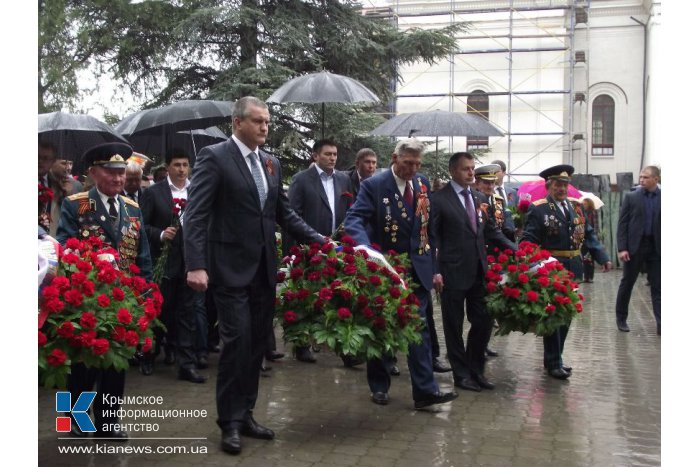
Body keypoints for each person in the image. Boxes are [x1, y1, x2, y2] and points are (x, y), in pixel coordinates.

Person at [183, 96, 326, 455]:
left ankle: (245, 414)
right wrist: (195, 264)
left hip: (263, 271)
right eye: (258, 121)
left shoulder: (271, 163)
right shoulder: (214, 158)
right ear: (237, 123)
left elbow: (284, 214)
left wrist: (320, 239)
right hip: (228, 270)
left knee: (256, 346)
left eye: (267, 122)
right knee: (236, 342)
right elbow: (196, 215)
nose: (265, 127)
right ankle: (228, 423)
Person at [344, 138, 458, 409]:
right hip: (386, 267)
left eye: (417, 164)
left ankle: (425, 391)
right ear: (395, 159)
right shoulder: (374, 185)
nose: (413, 169)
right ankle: (380, 385)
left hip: (417, 268)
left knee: (418, 330)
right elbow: (354, 219)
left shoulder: (422, 185)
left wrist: (433, 267)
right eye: (408, 163)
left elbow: (427, 228)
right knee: (383, 325)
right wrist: (364, 248)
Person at [55, 142, 153, 440]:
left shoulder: (133, 208)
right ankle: (71, 420)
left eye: (121, 172)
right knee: (81, 365)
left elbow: (143, 255)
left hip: (122, 300)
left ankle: (108, 423)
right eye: (110, 171)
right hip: (86, 297)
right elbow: (65, 248)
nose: (118, 178)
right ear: (93, 172)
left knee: (116, 363)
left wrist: (146, 295)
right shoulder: (77, 204)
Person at [432, 154, 517, 392]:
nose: (471, 173)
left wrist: (517, 251)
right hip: (452, 272)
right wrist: (435, 270)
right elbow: (433, 238)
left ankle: (476, 369)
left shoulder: (479, 198)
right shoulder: (439, 200)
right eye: (465, 169)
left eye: (472, 169)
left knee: (483, 321)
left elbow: (491, 233)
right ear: (453, 171)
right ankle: (461, 374)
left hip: (479, 271)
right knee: (454, 325)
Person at [521, 164, 612, 379]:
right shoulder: (539, 208)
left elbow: (588, 235)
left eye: (565, 185)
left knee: (566, 314)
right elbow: (528, 241)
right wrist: (538, 264)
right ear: (549, 186)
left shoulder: (575, 207)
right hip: (551, 268)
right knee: (554, 315)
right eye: (557, 185)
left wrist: (603, 257)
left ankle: (556, 358)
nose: (562, 189)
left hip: (574, 267)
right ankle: (553, 362)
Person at [286, 139, 357, 366]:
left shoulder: (344, 179)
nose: (332, 158)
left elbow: (351, 210)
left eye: (335, 154)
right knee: (307, 297)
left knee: (338, 296)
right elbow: (292, 215)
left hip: (337, 247)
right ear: (315, 156)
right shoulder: (301, 180)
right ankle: (302, 344)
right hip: (310, 247)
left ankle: (344, 349)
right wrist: (294, 250)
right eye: (327, 154)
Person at [140, 149, 207, 383]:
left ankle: (186, 364)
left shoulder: (197, 191)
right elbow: (141, 226)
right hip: (163, 263)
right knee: (159, 312)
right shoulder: (154, 193)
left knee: (187, 315)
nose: (181, 169)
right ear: (167, 167)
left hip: (190, 263)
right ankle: (149, 354)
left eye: (185, 164)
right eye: (177, 164)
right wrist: (160, 234)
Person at [474, 163, 519, 358]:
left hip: (498, 258)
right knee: (480, 307)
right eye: (486, 183)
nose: (490, 187)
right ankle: (476, 345)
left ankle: (483, 344)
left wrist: (514, 237)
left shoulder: (499, 201)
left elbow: (506, 227)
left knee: (492, 305)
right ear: (477, 183)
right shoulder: (474, 201)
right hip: (479, 257)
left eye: (492, 183)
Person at [614, 166, 661, 335]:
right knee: (627, 283)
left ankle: (661, 323)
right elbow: (622, 224)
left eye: (646, 177)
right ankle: (621, 318)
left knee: (658, 286)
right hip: (635, 246)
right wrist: (622, 248)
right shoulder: (631, 197)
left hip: (656, 247)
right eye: (641, 177)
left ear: (656, 179)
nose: (642, 180)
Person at [580, 197, 599, 283]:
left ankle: (590, 276)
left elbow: (595, 225)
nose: (584, 205)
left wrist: (594, 237)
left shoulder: (593, 212)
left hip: (591, 237)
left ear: (589, 203)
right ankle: (585, 276)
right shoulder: (582, 213)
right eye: (583, 204)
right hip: (583, 237)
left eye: (585, 204)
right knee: (584, 257)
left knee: (590, 258)